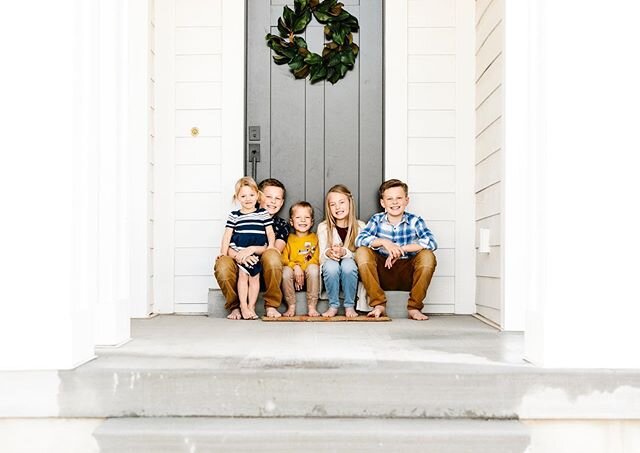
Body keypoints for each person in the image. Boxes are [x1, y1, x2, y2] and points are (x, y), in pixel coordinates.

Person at [355, 179, 437, 320]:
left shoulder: (415, 221)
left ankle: (414, 307)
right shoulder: (376, 220)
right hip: (382, 271)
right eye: (390, 199)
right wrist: (385, 242)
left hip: (406, 271)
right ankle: (378, 304)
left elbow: (431, 242)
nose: (394, 202)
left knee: (428, 256)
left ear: (406, 200)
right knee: (362, 252)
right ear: (383, 203)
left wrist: (401, 249)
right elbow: (359, 240)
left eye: (399, 198)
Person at [214, 178, 288, 320]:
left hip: (263, 267)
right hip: (240, 260)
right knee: (222, 265)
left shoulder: (280, 224)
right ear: (260, 196)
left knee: (272, 256)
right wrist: (242, 256)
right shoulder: (237, 216)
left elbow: (274, 250)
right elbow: (229, 241)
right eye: (268, 197)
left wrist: (252, 249)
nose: (273, 201)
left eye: (277, 198)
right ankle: (236, 307)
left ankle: (271, 305)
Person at [317, 184, 366, 318]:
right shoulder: (323, 227)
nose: (338, 207)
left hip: (351, 267)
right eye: (333, 204)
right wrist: (329, 253)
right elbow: (320, 257)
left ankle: (349, 306)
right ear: (329, 208)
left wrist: (345, 253)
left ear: (350, 203)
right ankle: (333, 305)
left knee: (348, 265)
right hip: (330, 264)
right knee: (331, 266)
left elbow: (363, 256)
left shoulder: (361, 227)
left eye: (342, 202)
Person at [281, 201, 320, 317]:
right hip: (292, 275)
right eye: (298, 217)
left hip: (309, 275)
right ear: (291, 222)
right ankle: (291, 306)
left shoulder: (315, 238)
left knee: (313, 268)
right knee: (285, 271)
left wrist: (302, 270)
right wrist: (296, 267)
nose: (303, 220)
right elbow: (283, 259)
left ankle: (312, 307)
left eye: (307, 217)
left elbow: (316, 258)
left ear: (312, 222)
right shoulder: (288, 239)